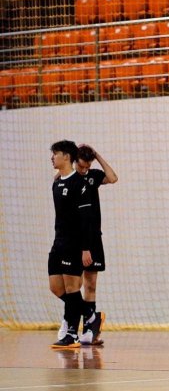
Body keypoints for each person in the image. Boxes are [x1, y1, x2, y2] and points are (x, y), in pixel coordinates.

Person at [48, 140, 102, 348]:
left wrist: (86, 248)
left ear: (67, 157)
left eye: (56, 154)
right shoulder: (56, 182)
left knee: (72, 288)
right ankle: (89, 315)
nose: (52, 157)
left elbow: (86, 220)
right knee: (55, 287)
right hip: (58, 242)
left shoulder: (79, 184)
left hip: (74, 244)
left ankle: (72, 334)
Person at [64, 144, 116, 345]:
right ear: (74, 161)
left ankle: (90, 330)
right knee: (73, 285)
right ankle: (70, 329)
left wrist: (98, 155)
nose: (84, 170)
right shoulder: (68, 180)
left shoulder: (92, 176)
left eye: (87, 166)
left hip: (93, 238)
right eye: (81, 166)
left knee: (90, 284)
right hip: (74, 240)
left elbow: (112, 178)